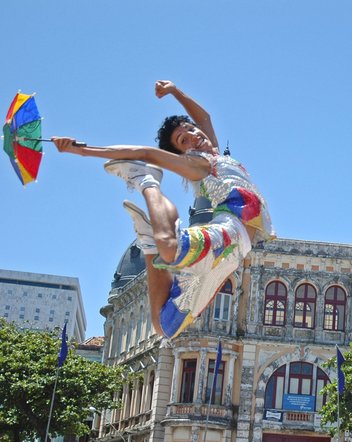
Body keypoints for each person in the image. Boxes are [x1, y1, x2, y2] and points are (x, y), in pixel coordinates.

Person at [53, 80, 274, 339]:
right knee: (170, 250)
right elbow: (145, 152)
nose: (194, 135)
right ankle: (148, 183)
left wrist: (174, 91)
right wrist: (82, 150)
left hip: (231, 257)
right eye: (184, 139)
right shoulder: (199, 164)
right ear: (184, 153)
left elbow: (204, 116)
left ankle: (148, 241)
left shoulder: (215, 153)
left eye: (191, 129)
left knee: (165, 325)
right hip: (229, 234)